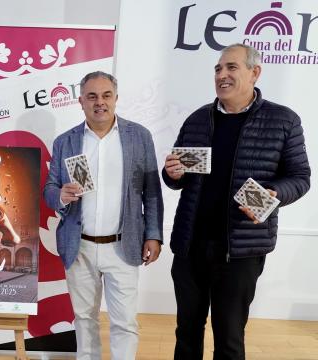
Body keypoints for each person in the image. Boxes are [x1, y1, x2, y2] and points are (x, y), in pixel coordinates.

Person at [162, 43, 311, 360]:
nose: (222, 75)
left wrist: (275, 195)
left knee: (229, 338)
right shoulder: (197, 120)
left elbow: (300, 177)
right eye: (218, 68)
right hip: (191, 247)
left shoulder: (283, 121)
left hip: (241, 251)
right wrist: (172, 173)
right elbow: (177, 179)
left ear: (255, 73)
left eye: (231, 67)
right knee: (186, 333)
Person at [43, 71, 163, 360]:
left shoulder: (139, 137)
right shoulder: (65, 142)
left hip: (123, 245)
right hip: (79, 245)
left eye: (106, 95)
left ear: (116, 99)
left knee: (125, 323)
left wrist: (154, 235)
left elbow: (152, 191)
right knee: (84, 320)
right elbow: (49, 187)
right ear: (81, 101)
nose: (100, 102)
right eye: (92, 96)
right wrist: (60, 195)